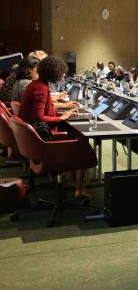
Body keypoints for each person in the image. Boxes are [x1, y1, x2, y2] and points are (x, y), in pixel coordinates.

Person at [19, 56, 90, 198]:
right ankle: (79, 189)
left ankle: (70, 180)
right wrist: (61, 117)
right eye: (61, 72)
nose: (63, 75)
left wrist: (63, 111)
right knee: (82, 142)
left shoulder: (36, 84)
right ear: (54, 72)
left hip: (33, 140)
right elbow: (39, 117)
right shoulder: (41, 88)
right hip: (44, 142)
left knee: (72, 134)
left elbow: (43, 109)